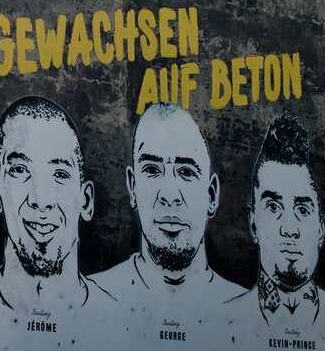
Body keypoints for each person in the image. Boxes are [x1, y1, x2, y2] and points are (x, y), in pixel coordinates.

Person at [92, 102, 244, 349]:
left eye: (186, 172)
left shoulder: (245, 311)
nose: (170, 194)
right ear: (132, 187)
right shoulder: (94, 298)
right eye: (152, 169)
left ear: (211, 195)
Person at [0, 96, 117, 350]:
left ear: (85, 200)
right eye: (19, 170)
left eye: (60, 174)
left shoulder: (117, 322)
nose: (40, 199)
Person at [223, 113, 325, 350]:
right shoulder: (222, 322)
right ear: (253, 223)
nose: (290, 229)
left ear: (320, 229)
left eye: (303, 209)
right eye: (274, 207)